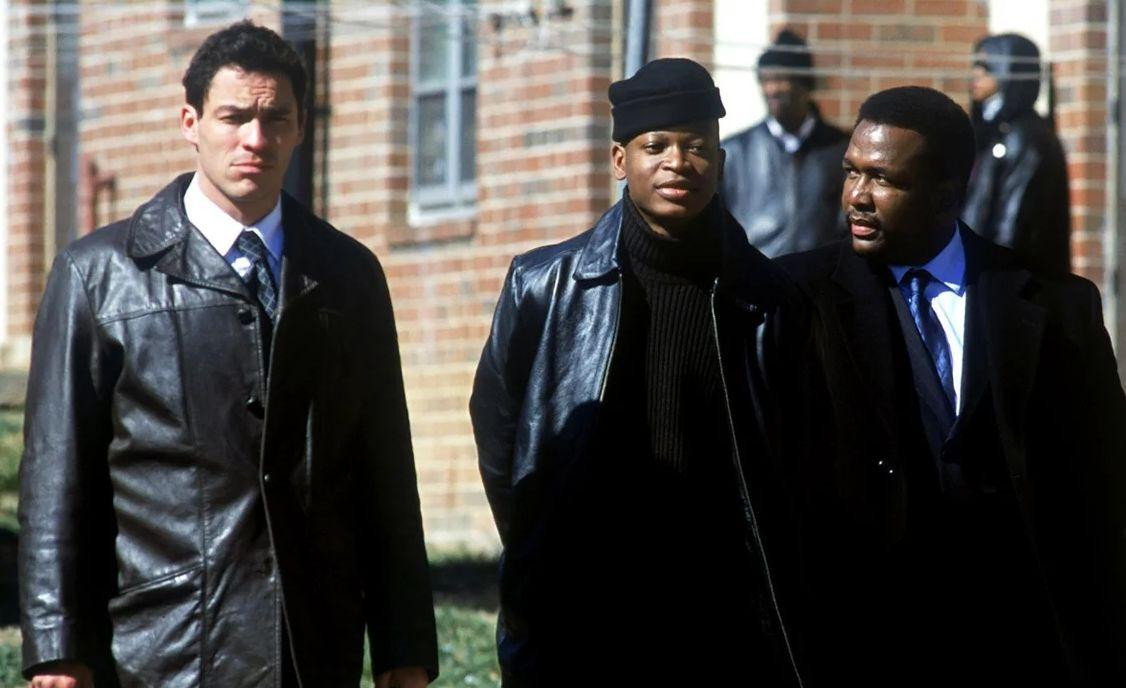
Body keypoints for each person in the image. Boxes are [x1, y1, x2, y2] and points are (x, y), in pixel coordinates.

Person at [18, 21, 437, 688]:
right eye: (235, 117)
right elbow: (56, 475)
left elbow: (384, 473)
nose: (256, 139)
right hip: (163, 650)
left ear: (300, 128)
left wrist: (404, 647)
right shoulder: (99, 275)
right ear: (191, 122)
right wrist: (58, 649)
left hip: (311, 649)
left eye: (276, 119)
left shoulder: (348, 277)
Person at [470, 58, 810, 686]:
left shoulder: (771, 300)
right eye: (656, 146)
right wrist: (539, 548)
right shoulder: (544, 286)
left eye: (697, 147)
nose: (678, 162)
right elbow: (500, 433)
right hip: (585, 611)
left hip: (724, 616)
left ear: (720, 162)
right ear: (620, 159)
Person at [777, 86, 1126, 685]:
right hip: (863, 638)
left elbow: (1104, 479)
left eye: (883, 179)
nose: (857, 196)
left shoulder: (1055, 305)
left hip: (1022, 640)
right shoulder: (795, 298)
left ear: (946, 194)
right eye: (852, 172)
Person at [721, 29, 849, 257]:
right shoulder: (734, 153)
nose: (772, 89)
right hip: (755, 275)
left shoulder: (841, 150)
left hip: (820, 276)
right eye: (765, 80)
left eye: (781, 79)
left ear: (804, 85)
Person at [962, 33, 1071, 275]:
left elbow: (1014, 220)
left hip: (1009, 274)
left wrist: (992, 273)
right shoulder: (992, 130)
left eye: (987, 66)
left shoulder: (1026, 136)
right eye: (975, 65)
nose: (976, 74)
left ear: (1009, 69)